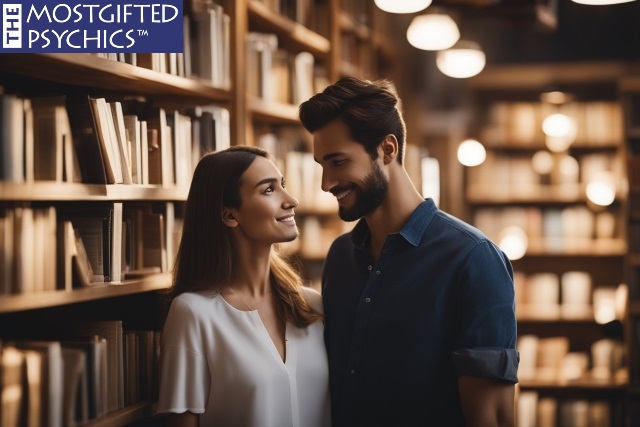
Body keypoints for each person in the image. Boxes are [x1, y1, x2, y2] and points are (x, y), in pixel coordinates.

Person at [299, 77, 519, 427]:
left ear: (387, 150)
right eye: (321, 166)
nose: (326, 183)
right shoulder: (340, 257)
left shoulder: (474, 260)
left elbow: (490, 416)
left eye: (337, 162)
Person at [156, 146, 331, 427]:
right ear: (229, 215)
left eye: (282, 185)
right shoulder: (193, 313)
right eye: (268, 190)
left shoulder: (313, 306)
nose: (292, 200)